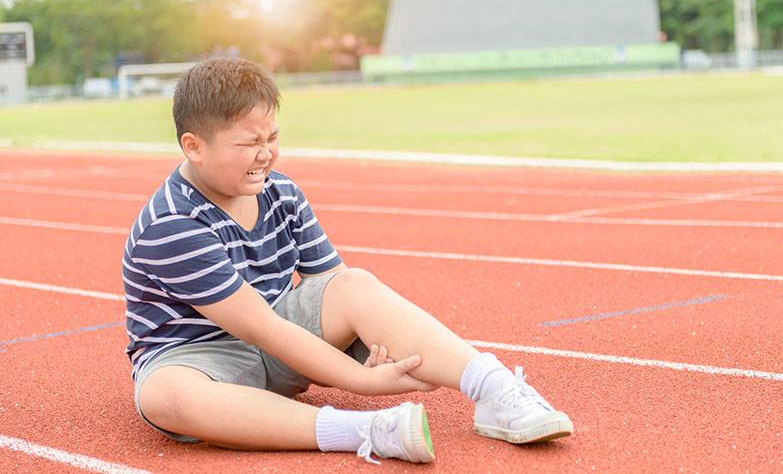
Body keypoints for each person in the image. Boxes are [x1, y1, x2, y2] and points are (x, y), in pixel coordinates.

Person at [122, 57, 573, 464]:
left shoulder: (281, 192)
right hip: (203, 359)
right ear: (194, 146)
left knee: (356, 283)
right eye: (248, 143)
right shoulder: (173, 224)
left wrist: (367, 346)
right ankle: (365, 431)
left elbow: (333, 289)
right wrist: (363, 383)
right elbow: (261, 327)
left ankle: (494, 389)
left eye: (272, 136)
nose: (265, 154)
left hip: (278, 340)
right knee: (164, 396)